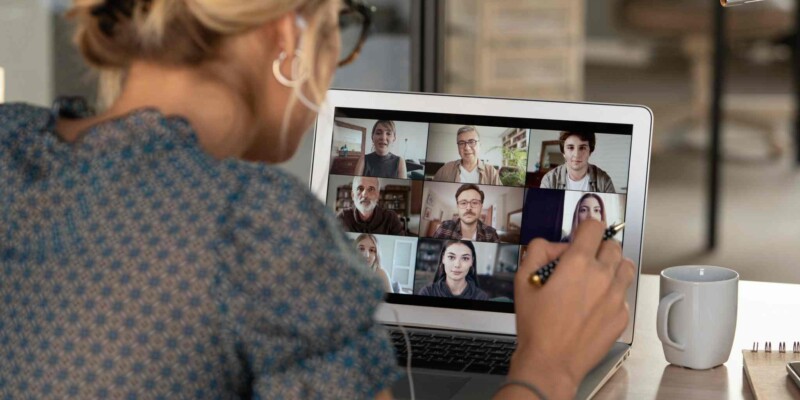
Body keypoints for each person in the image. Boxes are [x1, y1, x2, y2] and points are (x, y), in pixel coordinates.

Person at [0, 0, 635, 398]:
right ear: (290, 33)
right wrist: (549, 364)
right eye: (341, 26)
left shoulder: (9, 141)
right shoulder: (254, 225)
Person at [540, 131, 616, 193]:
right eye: (570, 147)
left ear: (590, 151)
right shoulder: (549, 180)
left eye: (582, 148)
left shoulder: (604, 180)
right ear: (563, 152)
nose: (576, 155)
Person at [418, 240, 490, 300]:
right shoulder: (427, 293)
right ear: (443, 259)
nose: (457, 265)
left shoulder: (481, 297)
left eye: (465, 258)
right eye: (451, 257)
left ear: (472, 261)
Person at [433, 125, 501, 185]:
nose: (467, 148)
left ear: (479, 145)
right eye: (461, 143)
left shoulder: (491, 172)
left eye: (471, 142)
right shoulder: (445, 170)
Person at [432, 184, 500, 243]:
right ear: (458, 207)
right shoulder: (445, 227)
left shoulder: (491, 233)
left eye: (474, 202)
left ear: (481, 207)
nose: (468, 208)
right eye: (463, 203)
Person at [337, 176, 404, 235]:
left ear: (378, 196)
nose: (365, 195)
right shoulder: (342, 218)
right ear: (353, 195)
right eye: (360, 188)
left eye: (371, 189)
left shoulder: (391, 218)